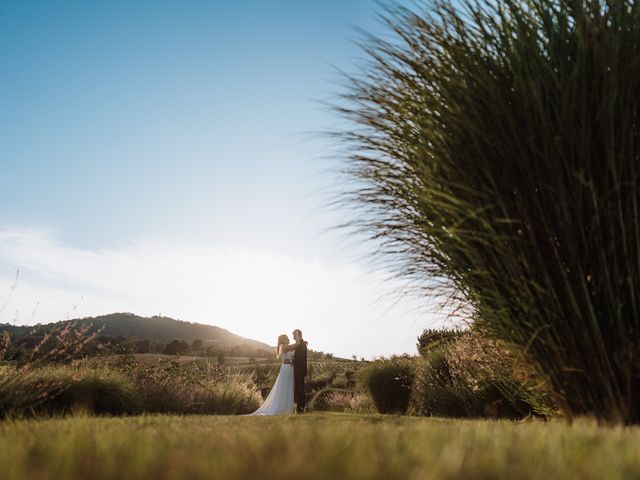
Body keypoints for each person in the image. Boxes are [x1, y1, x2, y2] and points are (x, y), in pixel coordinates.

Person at [248, 334, 294, 415]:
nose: (288, 339)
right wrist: (293, 362)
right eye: (287, 338)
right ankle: (281, 408)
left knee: (288, 388)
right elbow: (286, 360)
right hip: (287, 369)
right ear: (283, 340)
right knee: (284, 389)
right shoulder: (284, 347)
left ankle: (287, 409)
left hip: (288, 369)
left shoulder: (286, 347)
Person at [282, 329, 307, 413]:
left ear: (298, 335)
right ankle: (299, 409)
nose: (293, 337)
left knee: (300, 390)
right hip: (294, 370)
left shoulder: (302, 345)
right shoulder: (299, 345)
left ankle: (301, 409)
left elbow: (301, 358)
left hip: (300, 370)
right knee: (297, 390)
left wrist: (291, 361)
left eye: (294, 335)